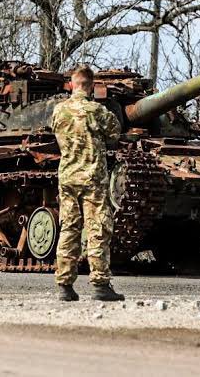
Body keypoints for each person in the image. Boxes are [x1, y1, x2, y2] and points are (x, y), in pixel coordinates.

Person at [51, 65, 124, 302]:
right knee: (97, 229)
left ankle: (64, 286)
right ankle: (100, 285)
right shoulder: (97, 111)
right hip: (93, 178)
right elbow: (114, 134)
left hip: (68, 177)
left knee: (69, 228)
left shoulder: (59, 111)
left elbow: (55, 132)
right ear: (92, 86)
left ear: (72, 84)